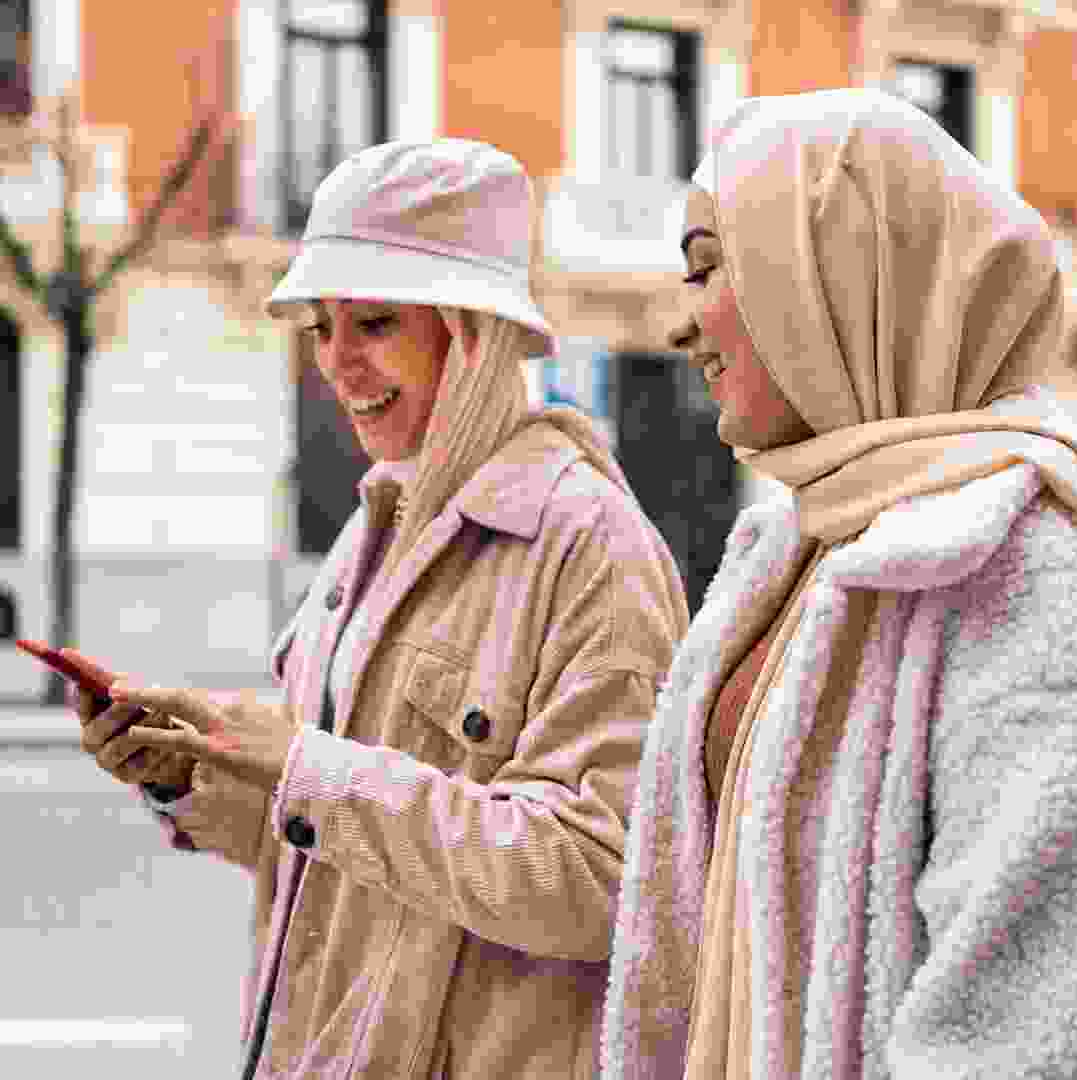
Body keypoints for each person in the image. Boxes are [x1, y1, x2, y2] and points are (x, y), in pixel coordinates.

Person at [599, 89, 1077, 1080]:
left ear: (834, 277)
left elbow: (1042, 1047)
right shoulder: (791, 549)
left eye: (710, 267)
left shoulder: (1030, 581)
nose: (681, 323)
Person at [77, 139, 689, 1079]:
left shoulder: (594, 548)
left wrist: (307, 768)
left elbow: (596, 878)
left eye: (372, 323)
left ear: (474, 334)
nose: (336, 363)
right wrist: (192, 777)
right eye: (322, 327)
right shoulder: (377, 525)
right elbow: (330, 852)